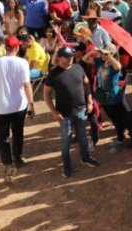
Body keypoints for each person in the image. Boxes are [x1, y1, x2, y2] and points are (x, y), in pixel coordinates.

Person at [0, 36, 33, 184]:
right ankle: (17, 158)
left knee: (2, 138)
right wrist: (31, 104)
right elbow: (27, 85)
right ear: (17, 48)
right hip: (19, 106)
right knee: (18, 133)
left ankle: (7, 163)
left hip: (0, 108)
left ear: (6, 48)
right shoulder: (23, 62)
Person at [43, 46, 100, 178]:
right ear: (60, 58)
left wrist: (90, 101)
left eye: (71, 57)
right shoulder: (54, 73)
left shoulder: (78, 68)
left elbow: (87, 84)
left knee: (82, 137)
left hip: (81, 110)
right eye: (67, 57)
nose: (70, 59)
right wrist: (54, 112)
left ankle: (85, 157)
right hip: (64, 114)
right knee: (66, 141)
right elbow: (46, 95)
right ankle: (66, 165)